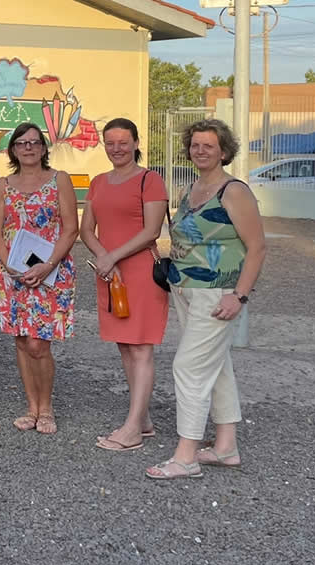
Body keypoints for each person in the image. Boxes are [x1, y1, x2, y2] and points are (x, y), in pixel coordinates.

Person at [146, 118, 266, 480]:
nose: (200, 150)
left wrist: (239, 296)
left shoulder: (234, 192)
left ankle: (186, 457)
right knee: (216, 365)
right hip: (185, 290)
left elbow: (258, 247)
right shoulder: (190, 188)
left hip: (218, 294)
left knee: (189, 367)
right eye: (195, 145)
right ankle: (226, 446)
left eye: (208, 145)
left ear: (224, 151)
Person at [80, 117, 169, 451]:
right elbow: (87, 228)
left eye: (123, 142)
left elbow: (151, 231)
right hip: (110, 272)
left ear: (135, 143)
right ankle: (142, 418)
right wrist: (105, 258)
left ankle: (132, 428)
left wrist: (113, 256)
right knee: (125, 345)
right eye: (110, 142)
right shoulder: (99, 182)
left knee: (141, 346)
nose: (116, 148)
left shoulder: (150, 180)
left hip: (140, 272)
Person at [0, 122, 79, 435]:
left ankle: (47, 406)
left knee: (40, 342)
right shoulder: (4, 184)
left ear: (43, 148)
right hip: (13, 273)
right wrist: (8, 263)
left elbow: (70, 228)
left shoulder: (59, 180)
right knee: (23, 341)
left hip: (51, 272)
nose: (28, 147)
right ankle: (31, 406)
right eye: (21, 143)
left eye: (34, 142)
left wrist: (47, 265)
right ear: (13, 149)